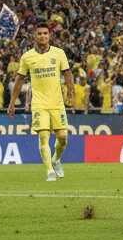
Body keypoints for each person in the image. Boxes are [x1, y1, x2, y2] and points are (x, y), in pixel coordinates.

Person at [8, 21, 75, 182]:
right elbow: (18, 81)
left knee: (63, 137)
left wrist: (71, 93)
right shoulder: (27, 57)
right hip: (38, 103)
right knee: (44, 136)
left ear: (49, 35)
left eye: (45, 33)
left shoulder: (59, 53)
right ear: (35, 36)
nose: (43, 36)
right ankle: (49, 171)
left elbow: (67, 74)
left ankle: (56, 159)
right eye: (39, 33)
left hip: (57, 103)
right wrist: (12, 102)